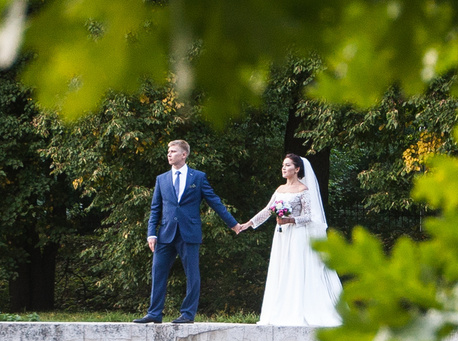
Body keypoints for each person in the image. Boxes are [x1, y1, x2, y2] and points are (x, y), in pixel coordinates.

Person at [137, 138, 240, 324]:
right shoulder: (161, 179)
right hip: (165, 233)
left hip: (189, 233)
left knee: (192, 274)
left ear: (184, 154)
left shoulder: (198, 177)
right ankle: (154, 313)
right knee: (158, 272)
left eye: (173, 151)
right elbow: (155, 209)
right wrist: (151, 233)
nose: (169, 154)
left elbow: (214, 201)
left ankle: (187, 314)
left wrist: (233, 224)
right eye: (168, 152)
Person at [233, 154, 343, 327]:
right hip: (282, 235)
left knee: (295, 269)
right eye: (283, 165)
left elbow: (308, 216)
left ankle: (298, 309)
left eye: (287, 165)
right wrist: (248, 224)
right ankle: (281, 309)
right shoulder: (280, 189)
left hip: (297, 234)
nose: (283, 168)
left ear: (297, 169)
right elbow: (268, 210)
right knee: (281, 268)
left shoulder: (303, 190)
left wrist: (290, 220)